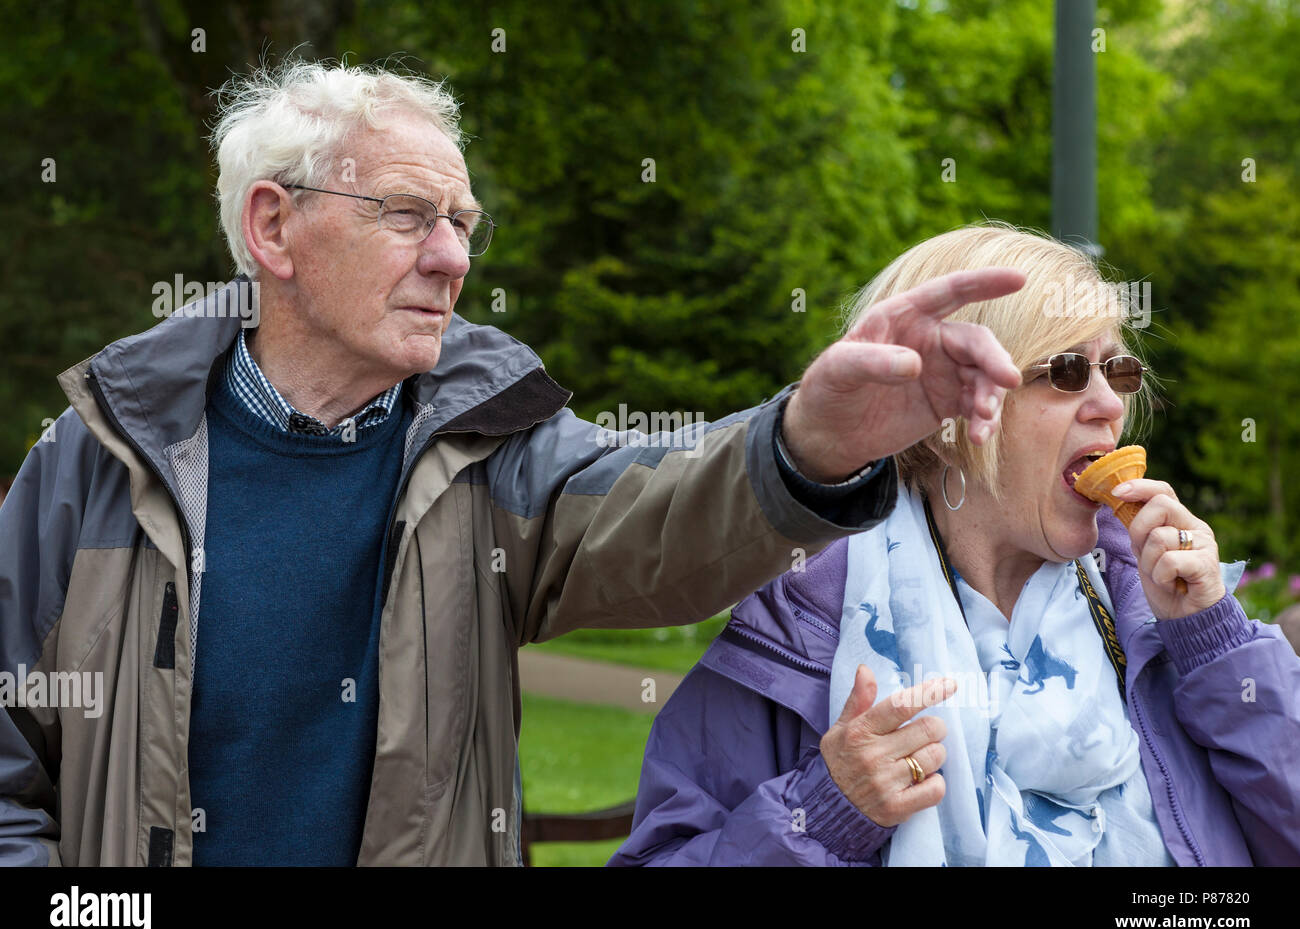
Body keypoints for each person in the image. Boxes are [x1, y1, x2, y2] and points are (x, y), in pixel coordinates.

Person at [0, 61, 1028, 866]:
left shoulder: (492, 447)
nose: (451, 256)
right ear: (274, 226)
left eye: (461, 224)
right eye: (406, 214)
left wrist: (815, 433)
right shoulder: (92, 457)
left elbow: (660, 516)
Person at [611, 224, 1300, 866]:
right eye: (1064, 371)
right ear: (945, 412)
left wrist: (1213, 643)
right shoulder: (802, 617)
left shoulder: (1162, 616)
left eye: (1117, 372)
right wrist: (823, 815)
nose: (1110, 405)